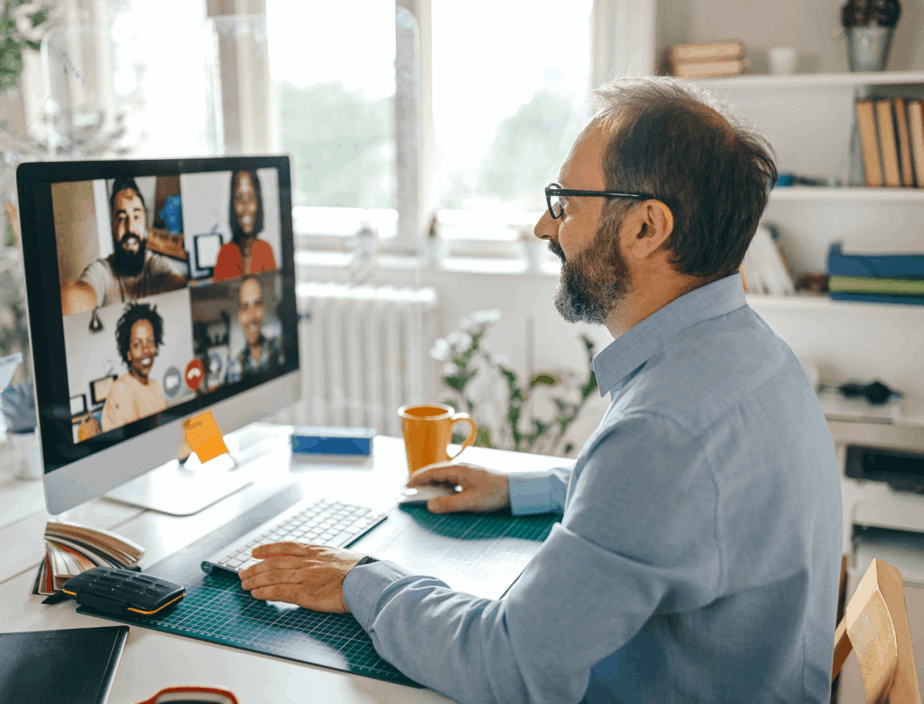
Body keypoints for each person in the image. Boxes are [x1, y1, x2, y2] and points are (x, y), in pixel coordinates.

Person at [236, 77, 843, 703]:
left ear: (645, 227)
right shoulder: (751, 354)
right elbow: (676, 510)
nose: (542, 226)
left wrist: (362, 581)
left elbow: (509, 666)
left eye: (566, 203)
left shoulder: (665, 430)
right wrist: (519, 489)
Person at [62, 177, 187, 315]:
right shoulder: (101, 273)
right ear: (112, 227)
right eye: (122, 218)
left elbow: (175, 284)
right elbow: (77, 298)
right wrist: (70, 297)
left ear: (145, 223)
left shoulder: (159, 266)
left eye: (137, 217)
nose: (131, 228)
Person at [101, 302, 167, 432]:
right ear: (129, 354)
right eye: (137, 344)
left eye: (150, 341)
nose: (146, 350)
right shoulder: (121, 390)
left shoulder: (154, 386)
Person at [213, 170, 277, 280]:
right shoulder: (225, 253)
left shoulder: (265, 250)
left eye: (251, 197)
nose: (245, 205)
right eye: (239, 198)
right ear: (233, 205)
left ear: (258, 202)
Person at [224, 275, 284, 383]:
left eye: (257, 304)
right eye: (245, 307)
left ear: (264, 309)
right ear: (239, 315)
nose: (251, 316)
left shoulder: (280, 349)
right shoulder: (234, 365)